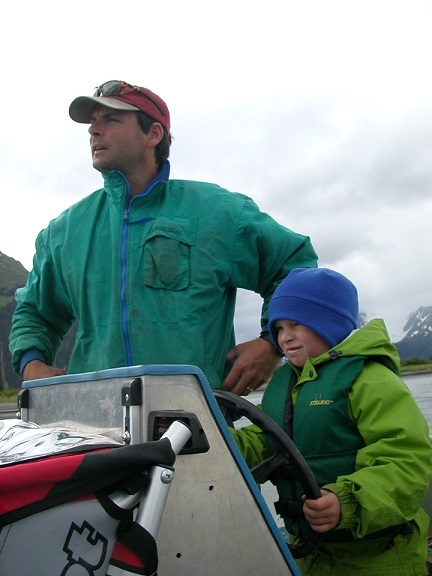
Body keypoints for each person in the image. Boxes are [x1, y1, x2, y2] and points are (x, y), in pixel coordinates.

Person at [9, 80, 318, 393]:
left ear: (153, 134)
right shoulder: (64, 233)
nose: (94, 130)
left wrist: (270, 344)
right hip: (93, 424)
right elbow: (35, 312)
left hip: (198, 426)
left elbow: (294, 265)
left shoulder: (219, 212)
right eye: (92, 123)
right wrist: (31, 362)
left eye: (111, 119)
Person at [232, 267, 432, 575]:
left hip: (379, 557)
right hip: (308, 555)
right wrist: (218, 441)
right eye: (279, 327)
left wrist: (346, 502)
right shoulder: (282, 383)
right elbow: (266, 442)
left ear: (328, 321)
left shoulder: (369, 379)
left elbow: (407, 460)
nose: (284, 337)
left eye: (296, 323)